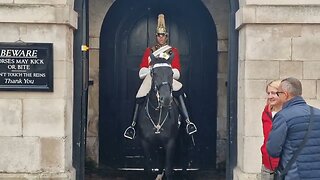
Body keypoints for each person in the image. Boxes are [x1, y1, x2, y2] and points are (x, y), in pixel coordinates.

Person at [124, 14, 197, 140]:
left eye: (162, 35)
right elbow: (142, 69)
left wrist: (168, 71)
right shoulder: (149, 51)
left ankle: (188, 122)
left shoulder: (172, 51)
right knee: (139, 94)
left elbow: (177, 70)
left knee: (179, 91)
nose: (160, 37)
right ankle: (133, 125)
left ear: (166, 36)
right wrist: (151, 70)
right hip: (152, 77)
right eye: (158, 35)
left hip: (168, 77)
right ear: (156, 36)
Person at [267, 77, 320, 179]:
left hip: (294, 175)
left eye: (278, 93)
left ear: (285, 94)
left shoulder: (283, 117)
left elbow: (273, 150)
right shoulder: (318, 113)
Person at [260, 80, 282, 180]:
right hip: (267, 165)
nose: (270, 96)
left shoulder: (289, 113)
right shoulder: (266, 112)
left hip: (283, 165)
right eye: (268, 93)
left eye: (273, 93)